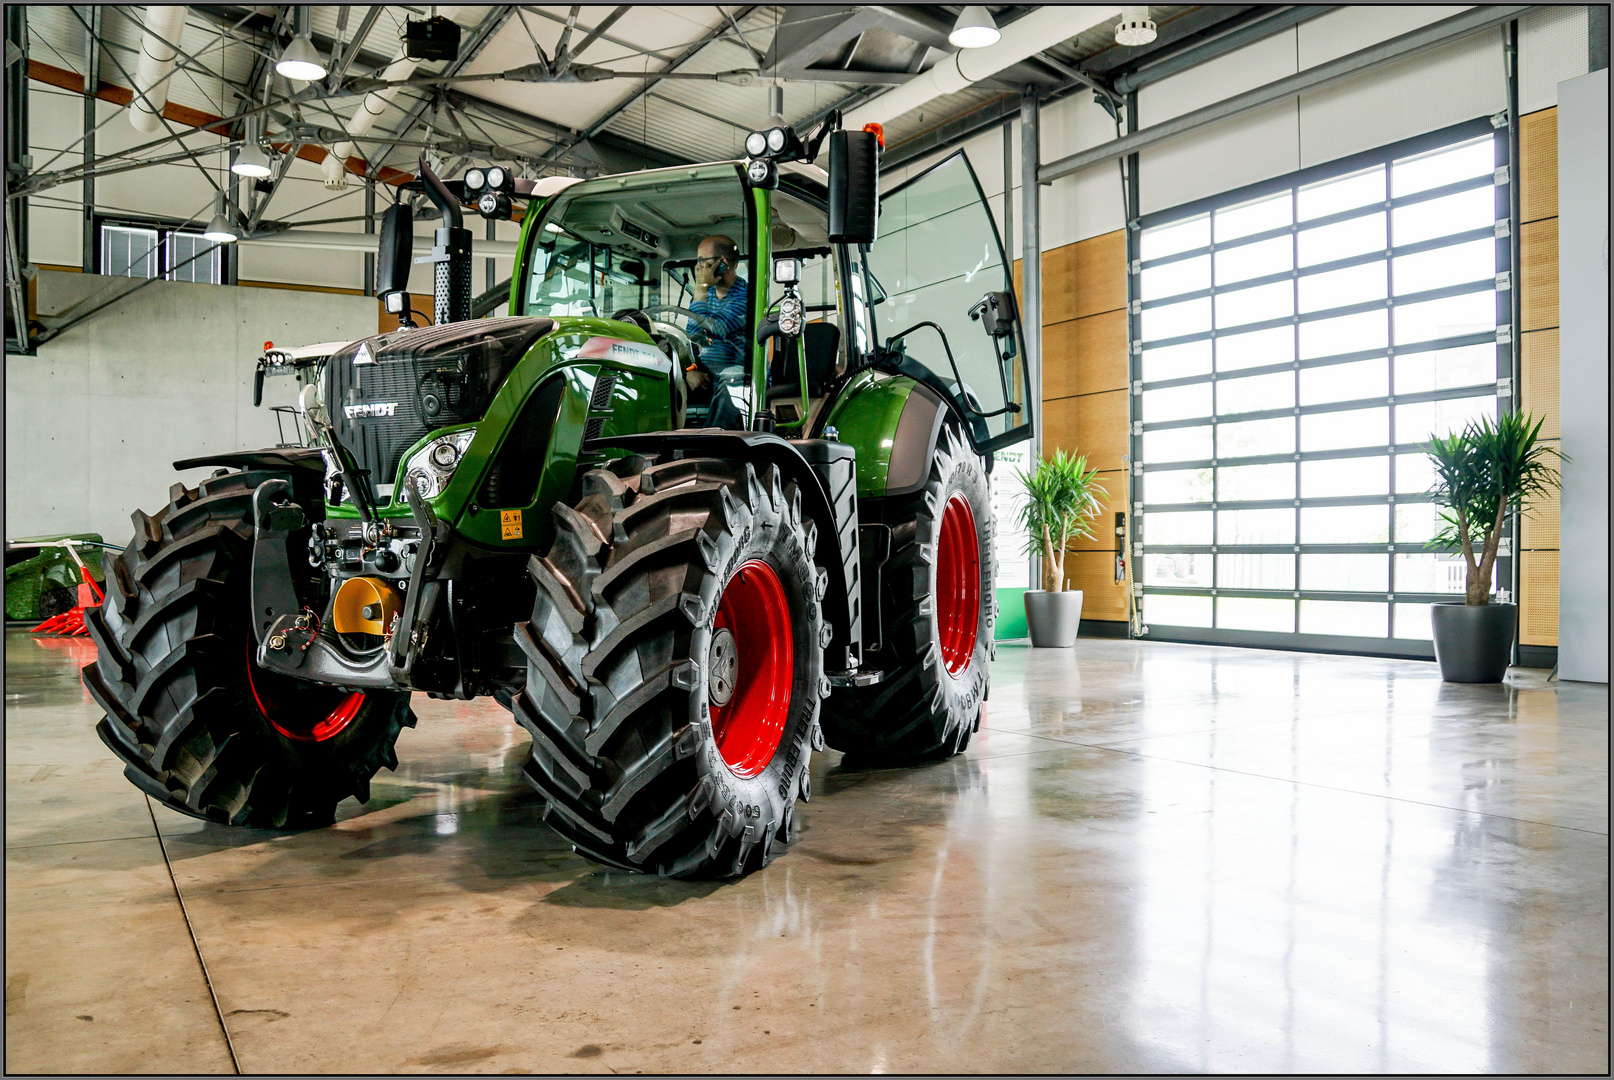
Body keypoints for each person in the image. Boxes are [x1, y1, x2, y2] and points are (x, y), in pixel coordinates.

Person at [685, 235, 750, 429]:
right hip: (706, 375)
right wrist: (690, 371)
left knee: (732, 376)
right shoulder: (706, 295)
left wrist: (700, 288)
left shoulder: (747, 297)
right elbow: (694, 337)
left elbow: (715, 329)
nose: (698, 268)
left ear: (723, 263)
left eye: (702, 261)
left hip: (742, 375)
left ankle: (712, 446)